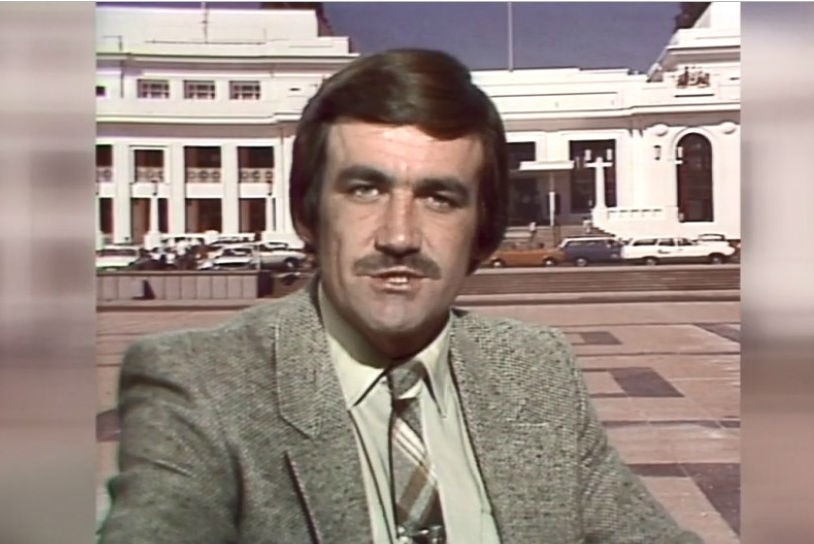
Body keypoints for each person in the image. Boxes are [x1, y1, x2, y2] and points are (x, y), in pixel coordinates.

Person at [99, 49, 702, 544]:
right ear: (310, 213)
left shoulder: (534, 370)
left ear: (482, 231)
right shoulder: (199, 384)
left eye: (440, 198)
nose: (399, 236)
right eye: (365, 189)